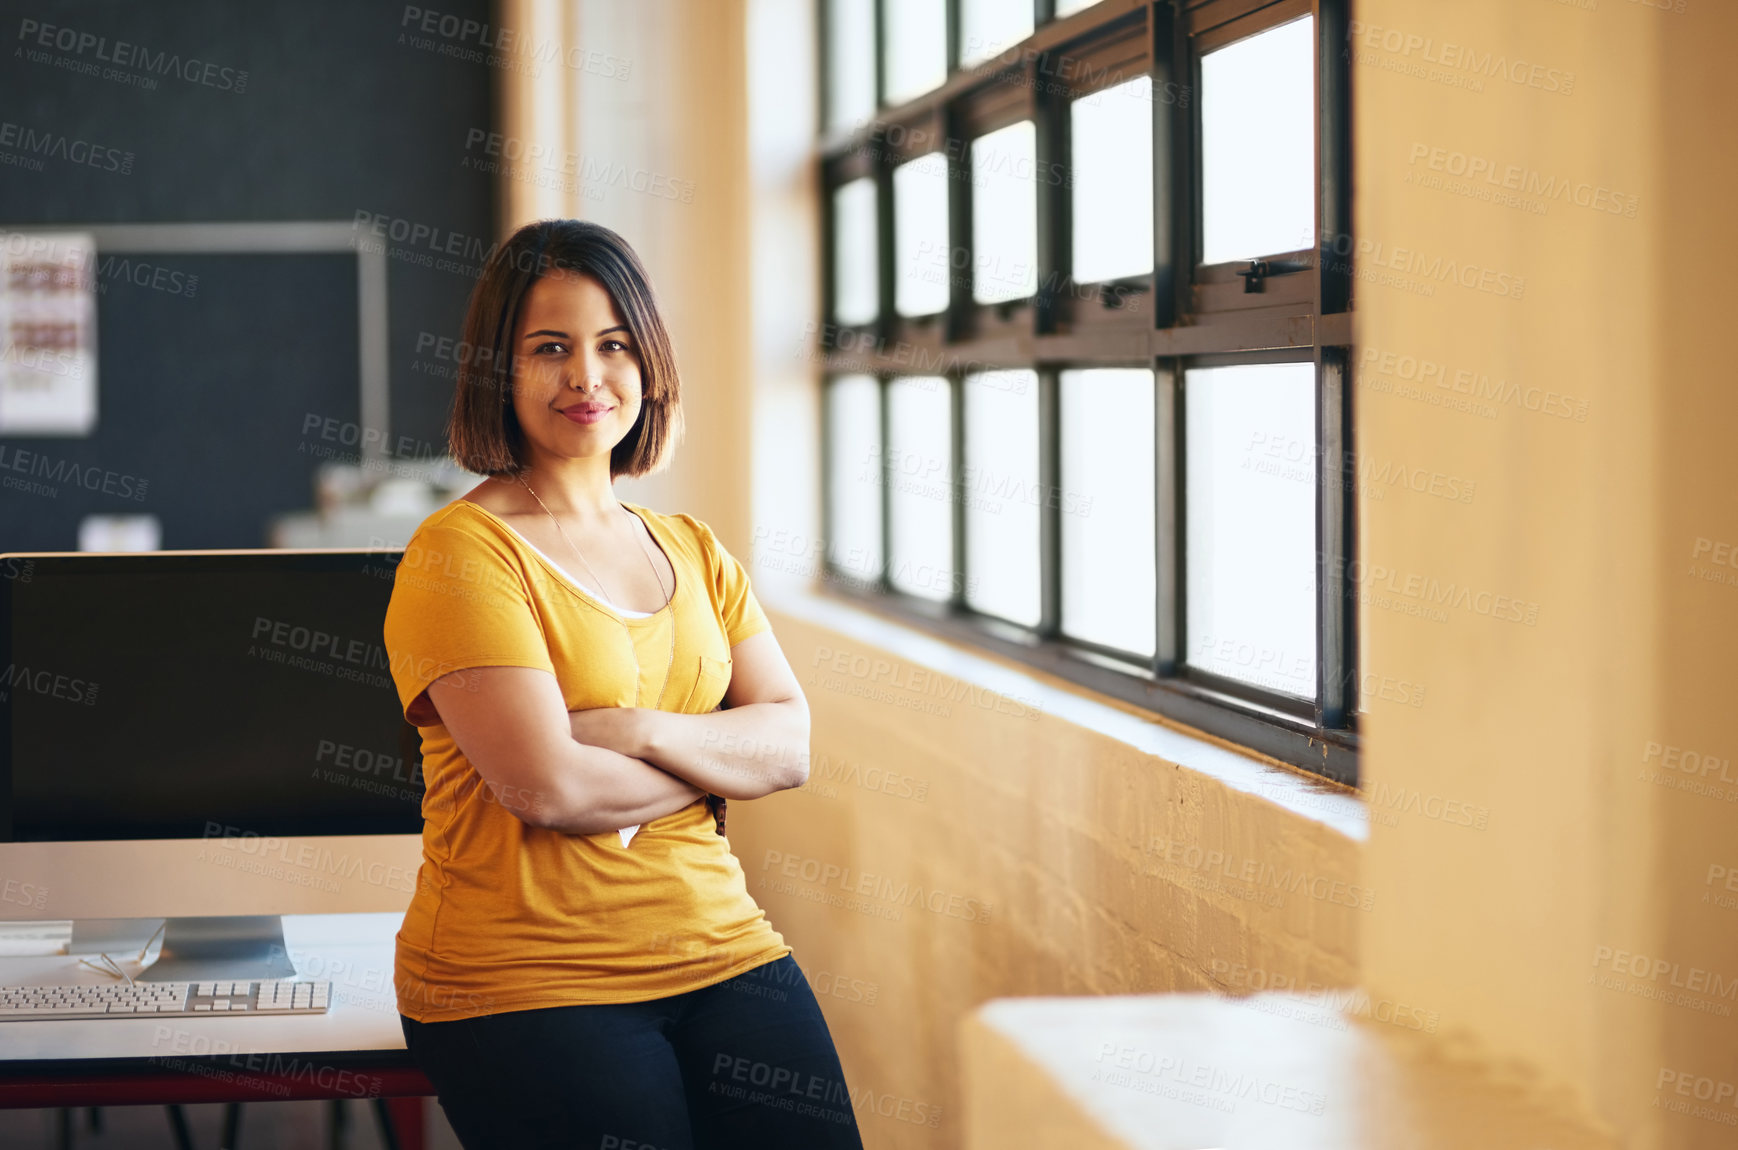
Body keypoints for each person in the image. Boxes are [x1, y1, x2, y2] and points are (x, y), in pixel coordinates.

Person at [382, 218, 864, 1150]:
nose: (586, 378)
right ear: (496, 368)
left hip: (721, 943)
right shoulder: (462, 553)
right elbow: (549, 788)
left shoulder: (690, 545)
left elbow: (792, 744)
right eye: (549, 348)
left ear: (648, 364)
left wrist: (634, 729)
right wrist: (719, 762)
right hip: (524, 979)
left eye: (614, 346)